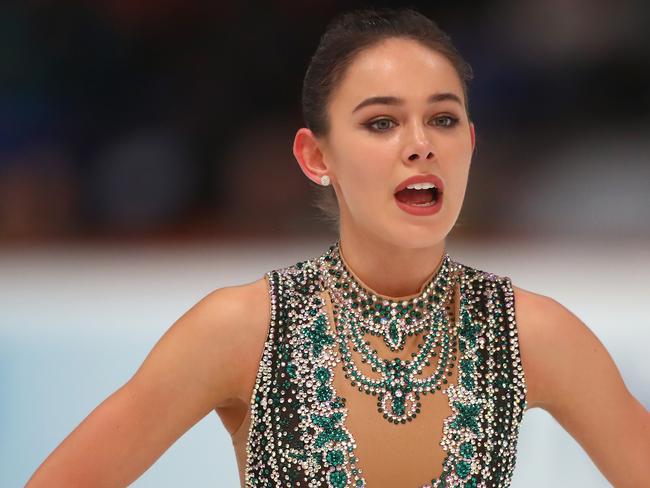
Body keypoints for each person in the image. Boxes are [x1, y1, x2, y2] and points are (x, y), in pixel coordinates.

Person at [26, 7, 649, 488]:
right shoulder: (242, 331)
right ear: (315, 156)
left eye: (443, 118)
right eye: (381, 122)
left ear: (471, 142)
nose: (420, 144)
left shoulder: (534, 335)